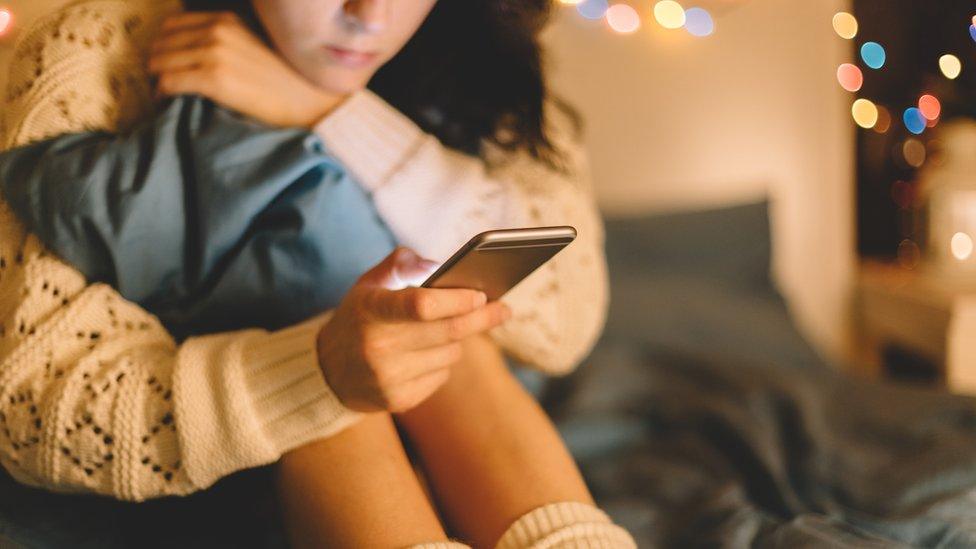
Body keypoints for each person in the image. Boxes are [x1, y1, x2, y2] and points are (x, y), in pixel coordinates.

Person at [0, 0, 634, 547]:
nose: (369, 18)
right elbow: (30, 406)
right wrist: (317, 371)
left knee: (444, 326)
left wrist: (327, 108)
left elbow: (566, 320)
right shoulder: (98, 47)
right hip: (226, 451)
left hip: (456, 422)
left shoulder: (486, 47)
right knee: (353, 348)